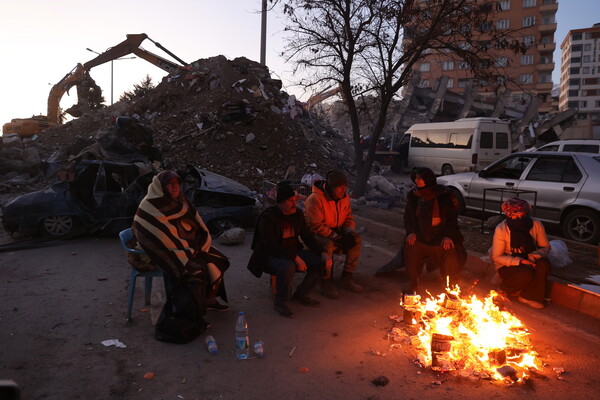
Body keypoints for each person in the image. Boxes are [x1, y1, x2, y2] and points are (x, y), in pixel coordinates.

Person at [132, 170, 230, 331]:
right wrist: (185, 248)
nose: (175, 187)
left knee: (217, 259)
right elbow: (153, 233)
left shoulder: (179, 200)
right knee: (194, 272)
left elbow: (193, 221)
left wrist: (193, 243)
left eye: (177, 183)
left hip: (184, 245)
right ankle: (192, 313)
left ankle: (209, 300)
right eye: (170, 184)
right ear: (161, 186)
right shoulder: (150, 205)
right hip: (160, 251)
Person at [247, 182, 331, 318]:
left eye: (295, 200)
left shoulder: (297, 215)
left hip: (292, 253)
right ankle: (281, 302)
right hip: (269, 257)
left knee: (319, 261)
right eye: (290, 201)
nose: (294, 204)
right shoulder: (268, 217)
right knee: (288, 266)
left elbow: (307, 236)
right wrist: (295, 258)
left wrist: (323, 253)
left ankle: (301, 294)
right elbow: (271, 246)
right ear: (280, 202)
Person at [403, 167, 466, 293]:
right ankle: (413, 281)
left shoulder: (443, 196)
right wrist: (411, 232)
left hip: (440, 236)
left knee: (451, 253)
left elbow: (451, 218)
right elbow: (408, 217)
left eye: (420, 178)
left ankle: (451, 285)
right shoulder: (414, 195)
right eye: (416, 178)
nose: (417, 180)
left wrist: (448, 236)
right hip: (421, 236)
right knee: (411, 248)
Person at [304, 169, 363, 298]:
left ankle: (347, 278)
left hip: (337, 232)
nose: (343, 190)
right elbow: (316, 225)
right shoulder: (315, 199)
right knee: (328, 245)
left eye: (345, 186)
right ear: (330, 187)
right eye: (339, 187)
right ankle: (325, 282)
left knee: (356, 240)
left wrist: (348, 232)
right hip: (316, 235)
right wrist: (336, 237)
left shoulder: (344, 198)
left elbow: (348, 217)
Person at [490, 198, 551, 309]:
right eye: (515, 216)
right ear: (508, 215)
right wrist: (520, 261)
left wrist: (534, 255)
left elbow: (546, 247)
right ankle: (504, 289)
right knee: (525, 273)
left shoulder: (536, 224)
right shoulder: (501, 229)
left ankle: (529, 296)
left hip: (530, 257)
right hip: (509, 264)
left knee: (544, 264)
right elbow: (497, 256)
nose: (519, 218)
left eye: (522, 216)